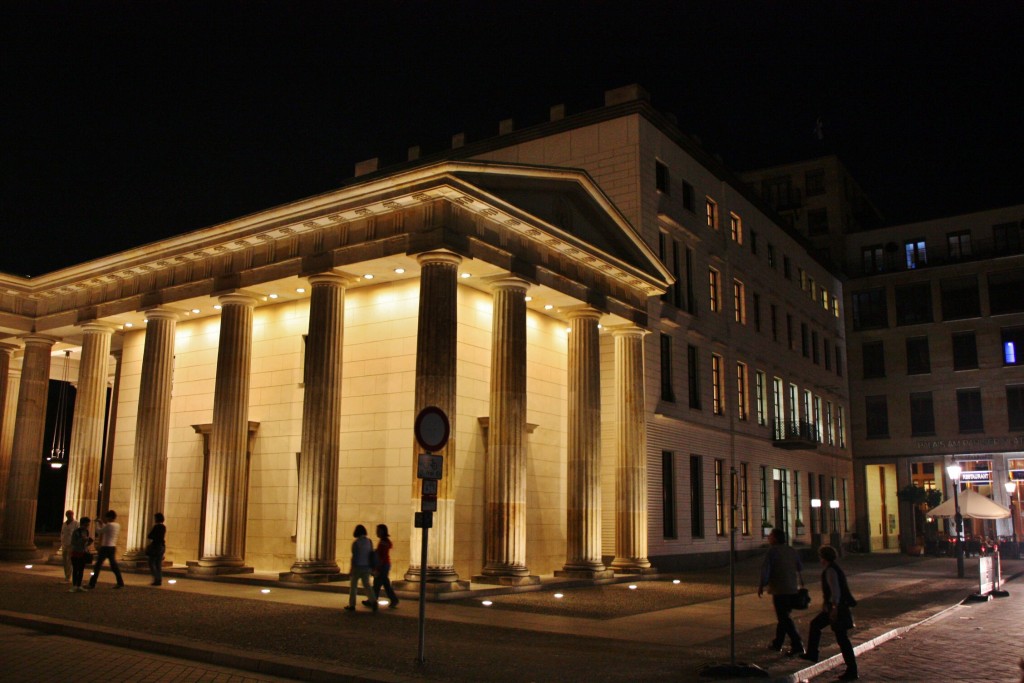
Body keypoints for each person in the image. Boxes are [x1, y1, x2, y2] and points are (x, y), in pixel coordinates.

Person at [800, 545, 858, 681]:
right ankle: (813, 653)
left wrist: (834, 607)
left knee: (841, 638)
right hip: (836, 607)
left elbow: (835, 591)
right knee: (822, 628)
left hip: (837, 608)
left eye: (820, 556)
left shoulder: (831, 570)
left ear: (823, 557)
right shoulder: (834, 568)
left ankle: (851, 670)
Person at [757, 527, 804, 656]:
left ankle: (797, 644)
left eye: (771, 536)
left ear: (776, 538)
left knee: (784, 618)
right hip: (792, 588)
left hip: (779, 589)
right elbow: (800, 567)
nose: (768, 538)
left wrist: (762, 585)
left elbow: (766, 570)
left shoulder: (772, 551)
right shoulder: (791, 550)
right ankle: (778, 643)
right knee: (784, 616)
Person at [87, 510, 124, 589]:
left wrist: (97, 523)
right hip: (112, 547)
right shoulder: (117, 525)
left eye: (107, 517)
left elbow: (99, 531)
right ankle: (120, 582)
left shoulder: (109, 525)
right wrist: (102, 523)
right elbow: (107, 529)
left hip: (105, 548)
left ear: (109, 517)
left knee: (97, 566)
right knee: (114, 566)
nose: (106, 519)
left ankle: (92, 583)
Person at [365, 523, 399, 610]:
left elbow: (382, 556)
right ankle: (374, 600)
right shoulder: (384, 541)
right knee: (383, 584)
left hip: (383, 566)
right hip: (384, 565)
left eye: (378, 531)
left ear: (383, 531)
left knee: (377, 584)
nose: (377, 532)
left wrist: (377, 568)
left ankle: (373, 601)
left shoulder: (383, 542)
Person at [345, 524, 376, 612]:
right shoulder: (369, 541)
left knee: (353, 586)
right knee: (367, 585)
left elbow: (354, 557)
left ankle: (352, 605)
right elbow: (371, 554)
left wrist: (351, 569)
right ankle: (373, 601)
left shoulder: (356, 543)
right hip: (367, 567)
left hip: (358, 567)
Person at [68, 517, 93, 593]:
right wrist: (82, 540)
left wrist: (88, 542)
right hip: (76, 553)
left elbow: (85, 544)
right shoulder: (76, 532)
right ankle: (74, 586)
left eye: (88, 525)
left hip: (83, 553)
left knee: (81, 570)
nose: (87, 526)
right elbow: (73, 542)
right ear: (82, 524)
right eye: (86, 525)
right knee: (75, 570)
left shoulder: (86, 531)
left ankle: (79, 585)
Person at [146, 512, 167, 586]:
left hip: (156, 546)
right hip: (161, 546)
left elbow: (150, 535)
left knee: (151, 563)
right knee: (158, 564)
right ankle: (159, 579)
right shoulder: (163, 527)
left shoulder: (156, 526)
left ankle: (156, 578)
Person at [59, 510, 79, 584]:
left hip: (71, 545)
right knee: (65, 561)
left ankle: (68, 577)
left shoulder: (76, 523)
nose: (69, 516)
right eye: (67, 515)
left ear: (72, 515)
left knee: (69, 561)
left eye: (70, 515)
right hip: (64, 544)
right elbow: (62, 533)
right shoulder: (64, 524)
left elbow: (77, 534)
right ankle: (66, 576)